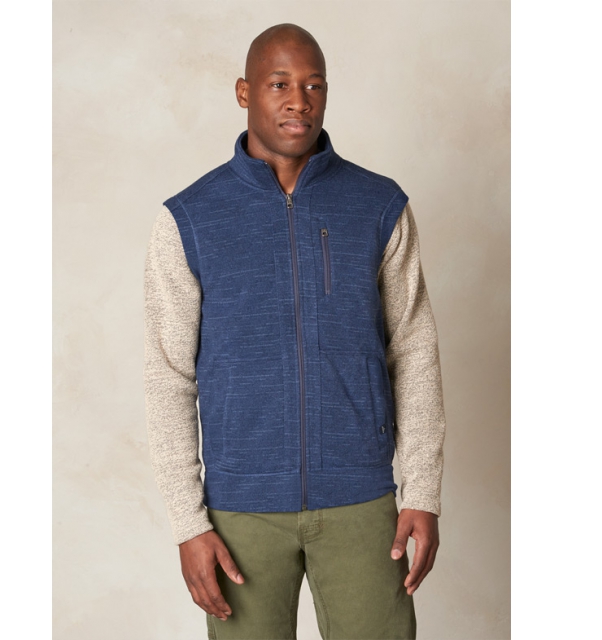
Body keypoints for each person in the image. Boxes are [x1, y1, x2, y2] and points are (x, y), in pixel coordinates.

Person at [144, 23, 446, 640]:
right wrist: (188, 522)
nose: (298, 101)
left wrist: (423, 490)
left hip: (362, 500)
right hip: (240, 511)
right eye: (279, 84)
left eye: (314, 85)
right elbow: (167, 376)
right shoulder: (189, 219)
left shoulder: (378, 205)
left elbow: (413, 350)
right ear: (244, 91)